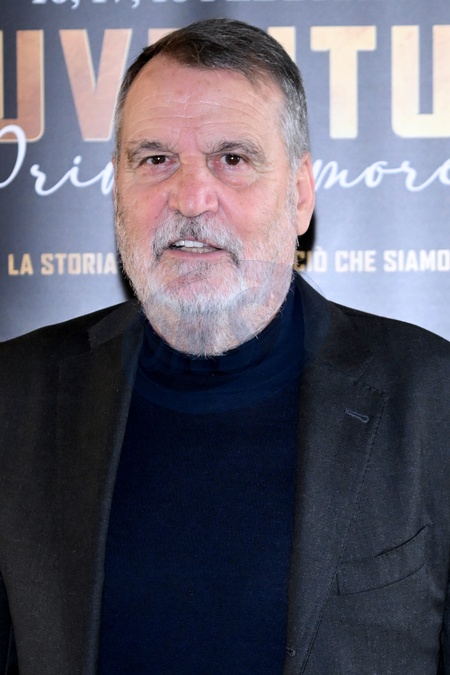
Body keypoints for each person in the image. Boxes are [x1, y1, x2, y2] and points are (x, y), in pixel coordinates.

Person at [0, 17, 449, 675]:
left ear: (300, 195)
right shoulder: (14, 397)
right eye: (155, 159)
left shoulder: (433, 399)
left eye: (232, 159)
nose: (191, 197)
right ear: (118, 188)